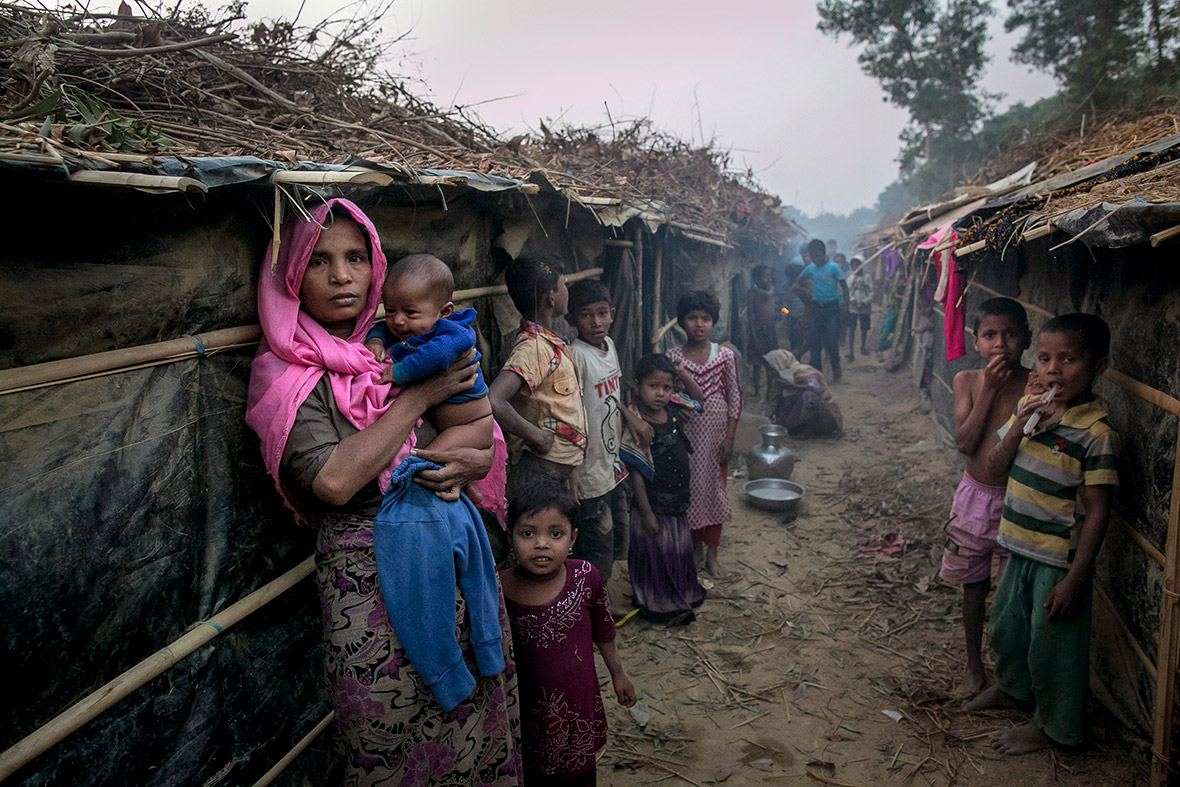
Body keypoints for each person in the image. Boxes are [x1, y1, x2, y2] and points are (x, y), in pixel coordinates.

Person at [245, 199, 521, 785]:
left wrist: (478, 457)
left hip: (454, 557)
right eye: (318, 261)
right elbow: (336, 481)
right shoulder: (286, 372)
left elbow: (479, 431)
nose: (341, 276)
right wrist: (418, 398)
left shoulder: (402, 341)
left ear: (376, 266)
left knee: (476, 729)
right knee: (389, 741)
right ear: (291, 274)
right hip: (368, 584)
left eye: (354, 258)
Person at [966, 314, 1119, 756]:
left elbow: (1097, 513)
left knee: (1055, 646)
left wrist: (1075, 579)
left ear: (1099, 367)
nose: (1054, 370)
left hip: (1058, 561)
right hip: (1016, 545)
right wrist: (1020, 422)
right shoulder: (1028, 410)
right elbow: (995, 466)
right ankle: (1013, 689)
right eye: (1047, 358)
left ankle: (1055, 727)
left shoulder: (1096, 434)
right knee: (1009, 629)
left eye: (1069, 359)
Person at [500, 474, 637, 786]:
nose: (542, 544)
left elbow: (604, 631)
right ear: (511, 536)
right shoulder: (498, 588)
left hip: (576, 710)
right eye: (528, 533)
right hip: (525, 713)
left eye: (556, 533)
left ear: (572, 538)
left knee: (579, 778)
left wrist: (618, 674)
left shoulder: (587, 579)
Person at [942, 298, 1031, 698]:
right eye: (990, 335)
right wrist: (990, 391)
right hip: (976, 499)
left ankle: (1013, 675)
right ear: (975, 341)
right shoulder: (967, 381)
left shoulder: (1036, 383)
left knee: (1014, 594)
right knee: (973, 588)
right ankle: (974, 666)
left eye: (1010, 334)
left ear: (1026, 338)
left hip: (1022, 501)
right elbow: (965, 441)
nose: (1001, 344)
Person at [563, 278, 650, 586]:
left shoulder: (609, 346)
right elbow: (569, 414)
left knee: (613, 541)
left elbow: (611, 397)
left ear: (613, 313)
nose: (596, 322)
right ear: (571, 319)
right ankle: (592, 608)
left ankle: (599, 599)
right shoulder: (576, 356)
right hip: (588, 472)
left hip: (610, 466)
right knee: (594, 546)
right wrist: (571, 468)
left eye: (602, 313)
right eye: (586, 314)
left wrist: (632, 419)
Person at [488, 254, 587, 492]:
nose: (567, 291)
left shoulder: (548, 343)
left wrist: (570, 470)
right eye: (564, 285)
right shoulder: (532, 348)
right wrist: (536, 436)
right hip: (539, 475)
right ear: (552, 297)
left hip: (554, 472)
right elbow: (493, 400)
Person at [621, 353, 708, 621]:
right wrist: (646, 512)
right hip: (653, 503)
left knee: (675, 549)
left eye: (666, 387)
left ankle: (682, 592)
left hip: (676, 499)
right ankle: (659, 603)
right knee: (655, 552)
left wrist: (681, 373)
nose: (660, 393)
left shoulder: (672, 408)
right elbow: (636, 472)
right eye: (653, 386)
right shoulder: (638, 425)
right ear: (637, 386)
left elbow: (700, 400)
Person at [667, 290, 742, 577]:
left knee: (714, 492)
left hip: (716, 438)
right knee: (689, 492)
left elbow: (735, 396)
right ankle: (694, 549)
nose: (699, 324)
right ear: (681, 322)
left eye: (706, 319)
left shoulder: (725, 356)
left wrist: (730, 438)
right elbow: (666, 394)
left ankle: (713, 553)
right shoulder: (672, 358)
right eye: (692, 318)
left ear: (714, 323)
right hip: (684, 437)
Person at [795, 238, 849, 382]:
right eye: (812, 257)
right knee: (814, 343)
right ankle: (817, 374)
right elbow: (797, 282)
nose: (814, 259)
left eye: (817, 256)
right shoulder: (810, 269)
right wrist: (805, 296)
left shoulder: (833, 268)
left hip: (832, 309)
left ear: (823, 253)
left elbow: (844, 287)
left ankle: (836, 369)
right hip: (816, 309)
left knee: (832, 342)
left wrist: (845, 307)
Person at [761, 349, 842, 437]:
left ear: (779, 365)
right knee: (784, 404)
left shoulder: (803, 371)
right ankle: (796, 429)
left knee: (808, 397)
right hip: (804, 418)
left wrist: (791, 386)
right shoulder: (781, 379)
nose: (770, 374)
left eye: (771, 370)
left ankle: (810, 431)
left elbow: (815, 387)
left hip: (826, 418)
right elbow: (773, 403)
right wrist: (762, 420)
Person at [746, 265, 781, 396]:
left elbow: (769, 294)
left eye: (770, 276)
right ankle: (756, 391)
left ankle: (769, 391)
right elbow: (750, 317)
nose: (770, 279)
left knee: (770, 363)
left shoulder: (770, 290)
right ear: (757, 279)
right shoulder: (751, 294)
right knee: (756, 364)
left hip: (770, 330)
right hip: (758, 330)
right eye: (766, 276)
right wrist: (754, 336)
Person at [845, 256, 874, 361]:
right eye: (853, 265)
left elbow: (872, 292)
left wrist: (864, 301)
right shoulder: (850, 278)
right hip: (853, 307)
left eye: (858, 264)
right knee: (851, 328)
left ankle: (863, 347)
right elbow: (847, 292)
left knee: (864, 328)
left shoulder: (867, 277)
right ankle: (851, 350)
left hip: (864, 307)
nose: (855, 267)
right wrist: (852, 300)